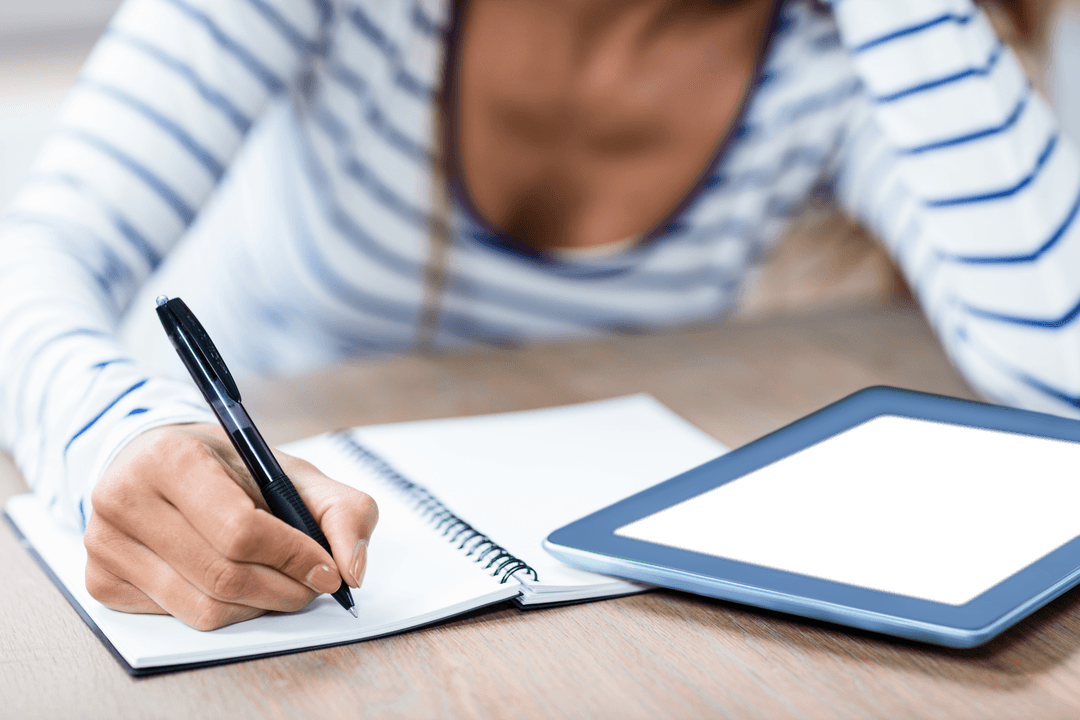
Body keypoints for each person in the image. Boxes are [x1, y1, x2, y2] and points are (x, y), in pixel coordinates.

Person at [2, 0, 1077, 630]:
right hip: (292, 539)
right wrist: (109, 428)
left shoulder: (829, 58)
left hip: (576, 605)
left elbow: (1063, 365)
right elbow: (39, 248)